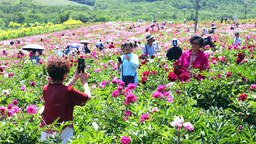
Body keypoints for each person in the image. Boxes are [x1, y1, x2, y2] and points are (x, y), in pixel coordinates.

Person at [40, 56, 91, 144]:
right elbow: (87, 97)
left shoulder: (46, 89)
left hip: (46, 129)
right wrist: (85, 83)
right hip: (63, 129)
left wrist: (74, 78)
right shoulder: (68, 92)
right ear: (65, 74)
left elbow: (59, 90)